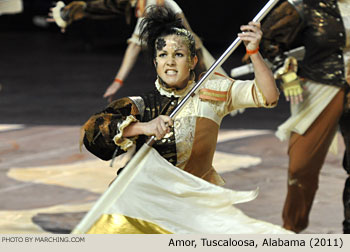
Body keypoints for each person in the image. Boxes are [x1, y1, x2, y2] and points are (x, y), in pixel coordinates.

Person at [80, 5, 291, 233]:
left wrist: (254, 53)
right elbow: (93, 131)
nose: (170, 61)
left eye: (178, 55)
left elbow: (268, 96)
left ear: (192, 61)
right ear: (155, 63)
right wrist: (143, 127)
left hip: (193, 207)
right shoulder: (140, 105)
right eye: (163, 55)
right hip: (143, 204)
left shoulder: (213, 94)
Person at [258, 0, 350, 233]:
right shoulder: (307, 4)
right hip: (320, 88)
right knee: (300, 167)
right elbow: (266, 38)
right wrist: (286, 72)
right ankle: (292, 229)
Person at [48, 0, 224, 102]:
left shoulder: (154, 4)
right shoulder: (140, 3)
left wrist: (118, 81)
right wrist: (69, 13)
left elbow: (134, 46)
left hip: (187, 63)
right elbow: (108, 6)